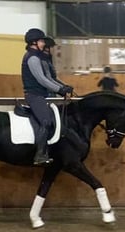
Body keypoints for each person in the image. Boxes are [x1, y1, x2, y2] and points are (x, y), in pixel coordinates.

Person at [21, 28, 73, 165]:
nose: (43, 43)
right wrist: (60, 89)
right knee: (46, 121)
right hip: (34, 95)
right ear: (34, 42)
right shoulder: (32, 58)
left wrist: (63, 87)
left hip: (41, 95)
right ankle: (39, 155)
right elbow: (42, 80)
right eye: (41, 41)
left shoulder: (36, 57)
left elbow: (49, 78)